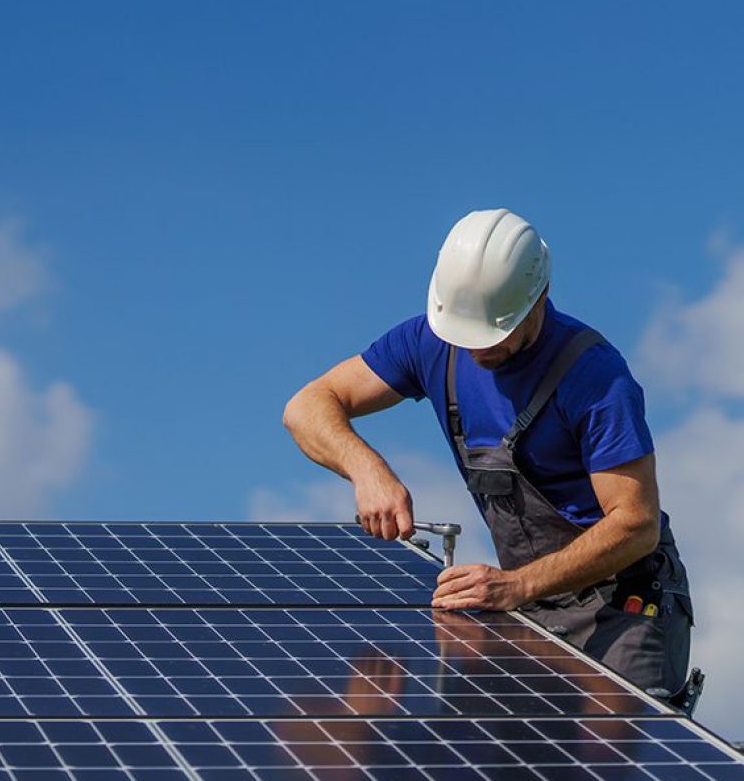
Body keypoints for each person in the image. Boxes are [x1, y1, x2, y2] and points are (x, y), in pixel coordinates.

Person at [283, 208, 693, 695]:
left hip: (622, 602)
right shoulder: (430, 342)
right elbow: (306, 406)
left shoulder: (596, 378)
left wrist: (519, 586)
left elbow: (635, 525)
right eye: (463, 334)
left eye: (492, 335)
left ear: (538, 299)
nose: (476, 350)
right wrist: (366, 468)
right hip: (524, 598)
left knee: (610, 765)